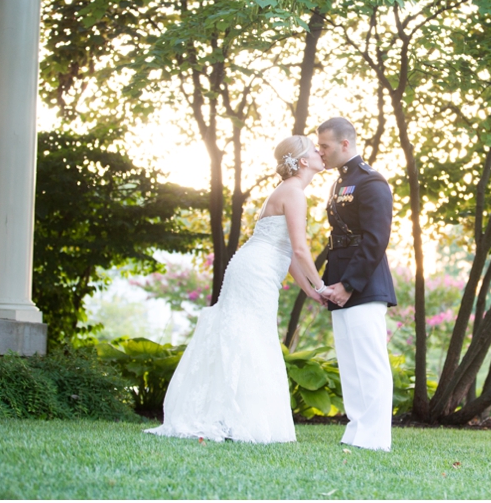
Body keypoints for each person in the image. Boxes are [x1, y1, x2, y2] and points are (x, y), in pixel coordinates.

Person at [145, 135, 329, 444]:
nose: (321, 152)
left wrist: (309, 291)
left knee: (252, 333)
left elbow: (286, 251)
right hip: (255, 271)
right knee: (250, 335)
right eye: (315, 149)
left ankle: (235, 415)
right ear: (303, 162)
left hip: (255, 267)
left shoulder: (289, 191)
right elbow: (299, 249)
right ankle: (236, 419)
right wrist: (321, 284)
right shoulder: (294, 193)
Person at [316, 117, 397, 451]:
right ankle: (358, 429)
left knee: (369, 361)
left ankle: (376, 437)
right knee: (350, 364)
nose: (321, 152)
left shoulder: (371, 182)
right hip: (341, 281)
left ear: (345, 144)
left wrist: (348, 284)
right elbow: (339, 239)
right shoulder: (339, 184)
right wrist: (325, 283)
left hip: (364, 284)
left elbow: (376, 240)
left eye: (325, 146)